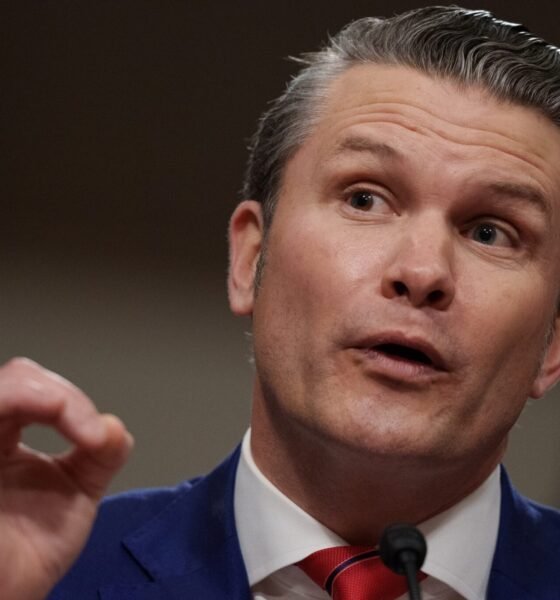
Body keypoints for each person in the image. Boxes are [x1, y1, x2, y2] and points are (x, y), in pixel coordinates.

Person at [3, 5, 560, 599]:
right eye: (366, 199)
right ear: (251, 259)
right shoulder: (47, 577)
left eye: (489, 232)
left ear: (552, 343)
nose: (422, 272)